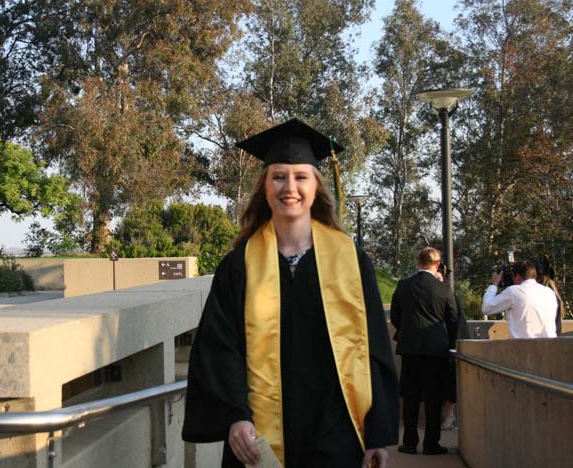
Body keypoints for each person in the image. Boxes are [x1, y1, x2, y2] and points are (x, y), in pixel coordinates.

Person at [182, 118, 399, 468]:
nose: (289, 187)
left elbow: (372, 346)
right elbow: (219, 348)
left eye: (301, 177)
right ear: (265, 188)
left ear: (316, 188)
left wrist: (377, 434)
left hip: (337, 431)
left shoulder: (350, 260)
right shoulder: (240, 266)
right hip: (260, 435)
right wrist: (236, 415)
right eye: (278, 176)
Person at [390, 247, 458, 456]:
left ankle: (409, 442)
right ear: (437, 265)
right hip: (436, 350)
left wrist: (407, 331)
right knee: (433, 397)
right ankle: (431, 443)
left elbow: (395, 316)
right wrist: (448, 342)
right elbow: (453, 319)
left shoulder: (403, 286)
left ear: (417, 262)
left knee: (410, 396)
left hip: (410, 349)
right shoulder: (444, 289)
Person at [432, 266, 468, 430]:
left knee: (448, 385)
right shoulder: (446, 296)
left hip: (447, 348)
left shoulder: (448, 297)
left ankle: (448, 416)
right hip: (441, 348)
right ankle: (446, 418)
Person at [482, 260, 557, 338]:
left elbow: (486, 308)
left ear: (517, 277)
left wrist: (494, 284)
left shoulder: (514, 291)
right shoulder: (549, 292)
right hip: (550, 345)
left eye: (512, 276)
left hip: (524, 346)